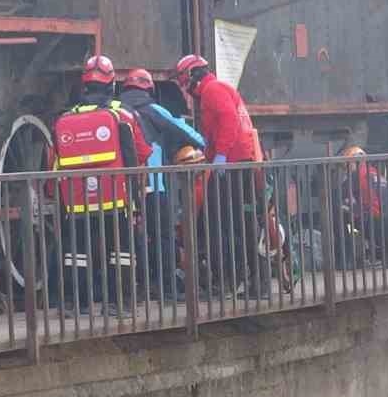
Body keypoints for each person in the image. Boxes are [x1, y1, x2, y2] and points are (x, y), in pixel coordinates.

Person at [52, 55, 150, 317]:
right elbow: (142, 152)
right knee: (121, 251)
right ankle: (120, 303)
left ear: (84, 85)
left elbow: (55, 161)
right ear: (111, 85)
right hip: (116, 198)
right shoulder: (123, 115)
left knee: (77, 252)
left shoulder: (66, 118)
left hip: (77, 201)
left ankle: (76, 304)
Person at [173, 54, 279, 298]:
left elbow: (229, 121)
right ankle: (256, 283)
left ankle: (229, 281)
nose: (184, 87)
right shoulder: (219, 88)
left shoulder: (212, 90)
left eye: (183, 80)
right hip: (241, 162)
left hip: (232, 164)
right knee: (244, 223)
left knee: (216, 222)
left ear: (192, 76)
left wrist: (220, 155)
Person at [119, 68, 204, 302]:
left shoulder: (115, 110)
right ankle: (167, 288)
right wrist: (207, 146)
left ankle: (139, 288)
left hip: (122, 189)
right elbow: (184, 131)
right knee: (162, 236)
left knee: (133, 239)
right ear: (149, 89)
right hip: (153, 185)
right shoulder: (152, 109)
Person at [331, 145, 388, 268]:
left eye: (347, 165)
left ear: (354, 162)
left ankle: (345, 260)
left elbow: (339, 195)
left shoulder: (356, 176)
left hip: (381, 225)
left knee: (338, 212)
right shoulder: (374, 173)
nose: (346, 169)